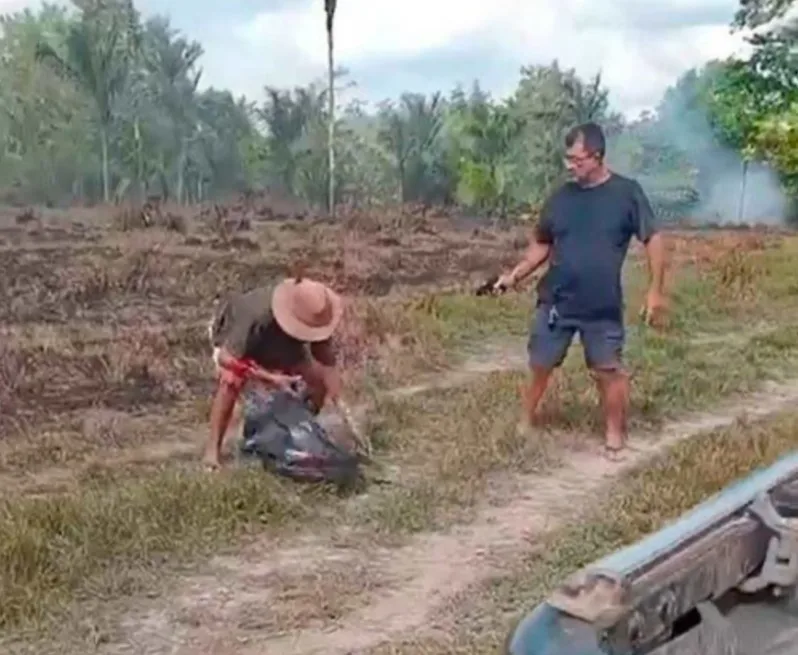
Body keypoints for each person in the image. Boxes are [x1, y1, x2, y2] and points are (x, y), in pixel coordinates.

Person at [495, 122, 667, 459]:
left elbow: (653, 239)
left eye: (577, 160)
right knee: (541, 364)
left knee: (608, 371)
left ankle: (614, 434)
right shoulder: (561, 198)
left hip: (601, 306)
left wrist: (655, 291)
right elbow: (541, 245)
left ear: (597, 156)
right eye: (568, 159)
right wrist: (514, 276)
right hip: (557, 301)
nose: (570, 167)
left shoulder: (627, 193)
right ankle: (525, 420)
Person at [203, 276, 345, 470]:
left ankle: (298, 428)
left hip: (281, 343)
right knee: (231, 381)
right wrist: (271, 379)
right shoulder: (254, 314)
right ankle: (212, 454)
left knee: (315, 382)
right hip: (237, 345)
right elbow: (227, 358)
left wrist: (332, 384)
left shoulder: (314, 308)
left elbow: (323, 354)